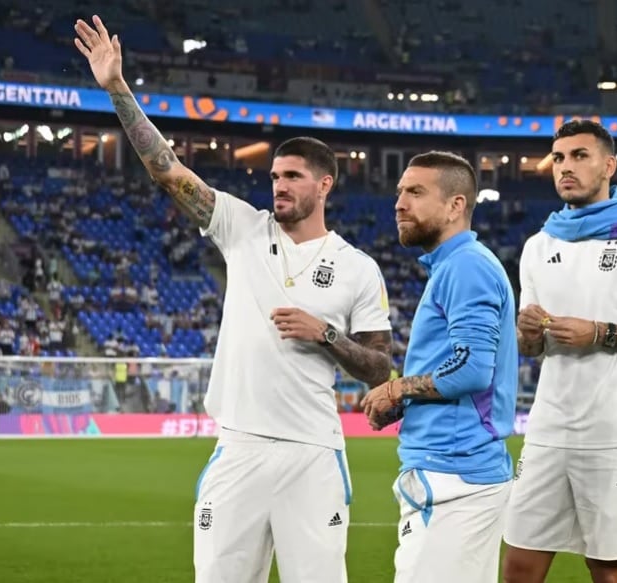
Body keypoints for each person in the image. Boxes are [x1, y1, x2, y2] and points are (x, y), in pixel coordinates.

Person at [74, 15, 394, 582]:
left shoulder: (359, 268)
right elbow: (166, 170)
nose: (278, 186)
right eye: (274, 176)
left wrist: (325, 333)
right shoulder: (243, 227)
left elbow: (378, 367)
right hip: (239, 448)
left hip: (313, 454)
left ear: (324, 185)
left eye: (292, 176)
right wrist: (118, 88)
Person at [501, 120, 617, 583]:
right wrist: (525, 331)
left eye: (580, 156)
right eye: (559, 157)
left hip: (612, 432)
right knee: (520, 564)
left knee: (608, 567)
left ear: (609, 166)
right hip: (548, 430)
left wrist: (600, 334)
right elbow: (532, 348)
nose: (566, 167)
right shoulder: (538, 245)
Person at [361, 151, 518, 583]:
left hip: (456, 474)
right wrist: (406, 402)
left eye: (415, 192)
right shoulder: (452, 266)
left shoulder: (466, 266)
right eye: (399, 193)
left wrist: (396, 390)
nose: (399, 203)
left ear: (456, 206)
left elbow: (470, 371)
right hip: (452, 472)